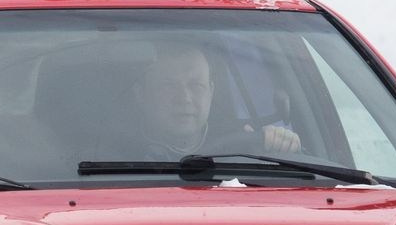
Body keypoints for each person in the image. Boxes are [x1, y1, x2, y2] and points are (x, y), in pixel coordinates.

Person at [129, 41, 301, 159]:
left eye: (196, 86)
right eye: (168, 86)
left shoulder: (244, 147)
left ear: (211, 92)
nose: (184, 98)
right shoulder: (111, 155)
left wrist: (281, 144)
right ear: (141, 95)